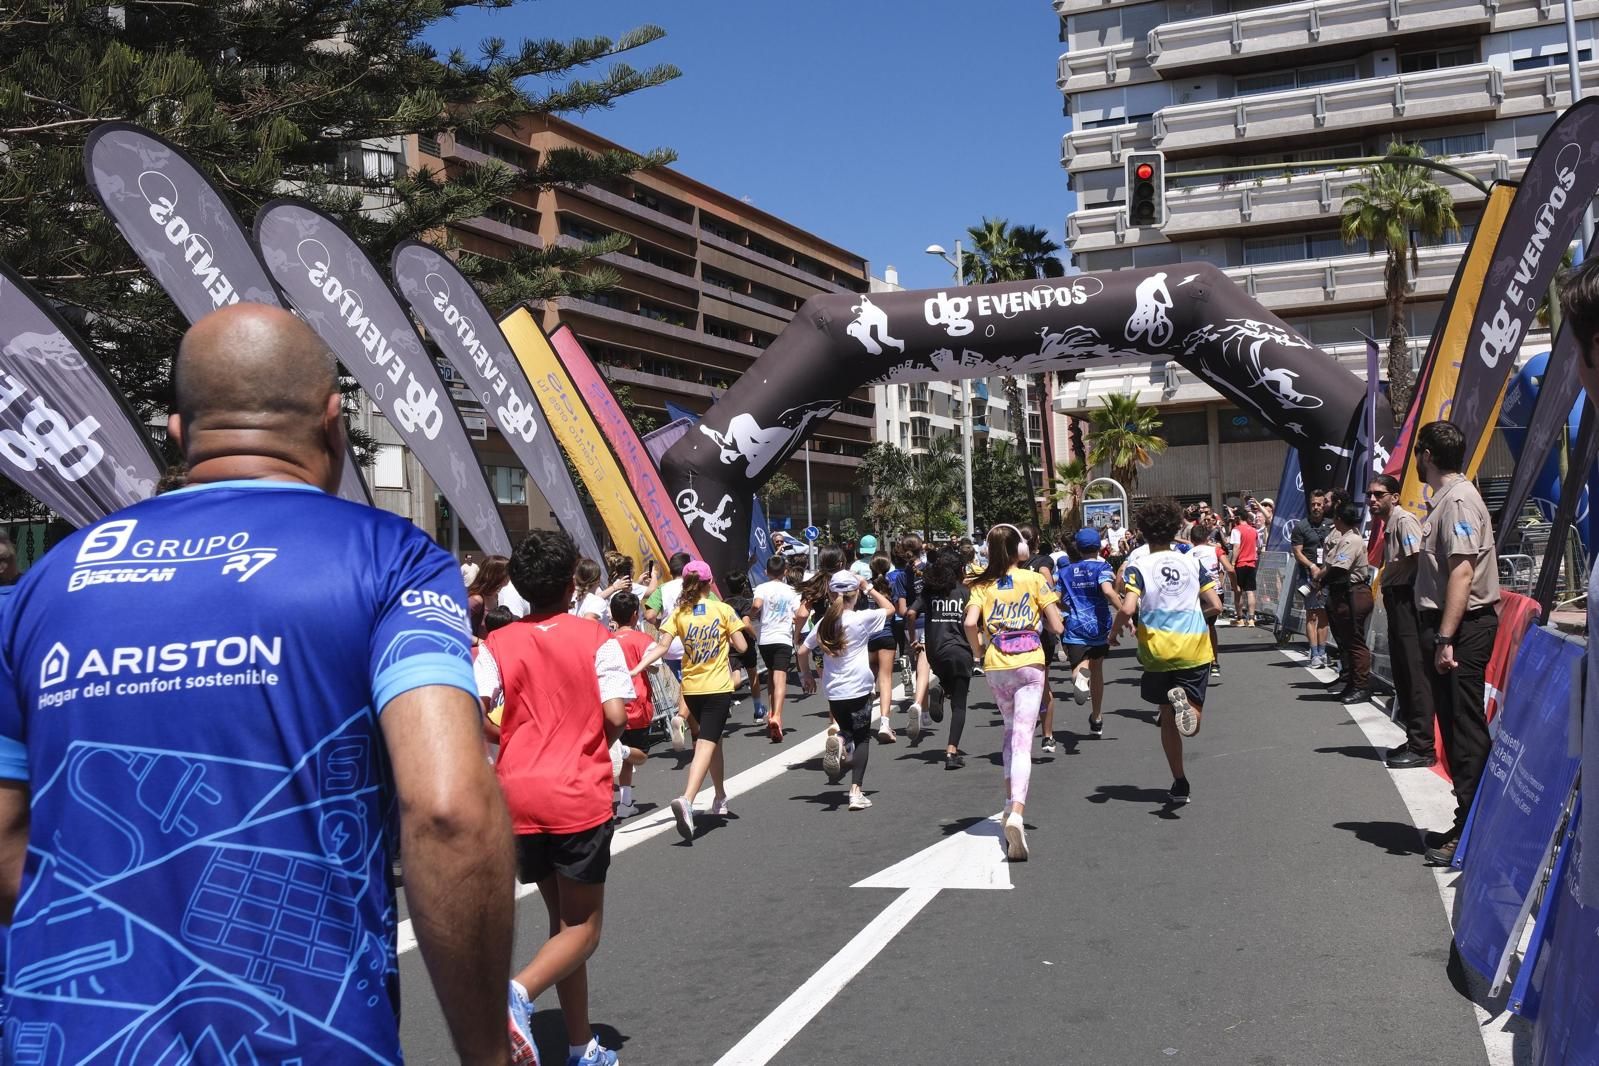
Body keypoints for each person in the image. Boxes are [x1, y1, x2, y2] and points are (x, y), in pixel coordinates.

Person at [0, 304, 514, 1062]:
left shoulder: (45, 584)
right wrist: (484, 1052)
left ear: (177, 434)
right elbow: (446, 812)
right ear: (335, 424)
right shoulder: (391, 560)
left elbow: (8, 842)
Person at [480, 530, 631, 1066]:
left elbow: (477, 710)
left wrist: (516, 737)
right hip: (576, 795)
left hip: (517, 795)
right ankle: (514, 995)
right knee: (585, 931)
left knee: (562, 928)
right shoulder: (596, 638)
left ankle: (578, 1047)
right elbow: (616, 715)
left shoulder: (496, 643)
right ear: (573, 584)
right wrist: (587, 743)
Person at [1413, 420, 1501, 866]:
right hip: (1452, 627)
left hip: (1462, 629)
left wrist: (1446, 637)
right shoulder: (1446, 500)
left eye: (1416, 451)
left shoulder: (1460, 502)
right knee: (1452, 724)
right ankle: (1467, 815)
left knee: (1465, 730)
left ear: (1426, 453)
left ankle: (1474, 829)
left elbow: (1463, 573)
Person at [1111, 499, 1222, 806]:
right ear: (1176, 530)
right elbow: (1216, 604)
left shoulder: (1138, 566)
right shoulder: (1191, 562)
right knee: (1191, 720)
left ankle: (1179, 780)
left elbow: (1129, 606)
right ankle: (1188, 706)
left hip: (1156, 650)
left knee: (1166, 716)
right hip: (1194, 647)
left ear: (1143, 532)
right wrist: (1193, 613)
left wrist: (1114, 631)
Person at [965, 524, 1065, 861]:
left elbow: (969, 624)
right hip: (1030, 662)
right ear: (1020, 550)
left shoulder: (981, 584)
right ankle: (1019, 812)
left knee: (1010, 732)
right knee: (1025, 737)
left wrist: (979, 651)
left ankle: (1008, 804)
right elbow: (1056, 624)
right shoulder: (1034, 579)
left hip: (996, 663)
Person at [633, 560, 750, 843]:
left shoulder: (678, 613)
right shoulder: (722, 610)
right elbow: (742, 646)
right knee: (705, 745)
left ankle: (720, 797)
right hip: (718, 688)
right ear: (709, 584)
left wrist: (637, 667)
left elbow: (661, 646)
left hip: (691, 690)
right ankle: (687, 798)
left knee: (713, 741)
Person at [802, 571, 899, 810]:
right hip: (859, 687)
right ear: (854, 594)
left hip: (834, 691)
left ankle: (839, 738)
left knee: (846, 730)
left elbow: (802, 650)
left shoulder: (824, 623)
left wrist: (807, 675)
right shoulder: (860, 618)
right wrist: (869, 587)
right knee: (863, 737)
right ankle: (856, 791)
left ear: (831, 594)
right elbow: (890, 609)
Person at [1366, 474, 1434, 768]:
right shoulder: (1390, 523)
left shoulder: (1404, 521)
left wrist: (1398, 578)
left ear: (1394, 497)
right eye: (1370, 494)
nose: (1372, 500)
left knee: (1413, 670)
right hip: (1398, 598)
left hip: (1407, 598)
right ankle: (1414, 738)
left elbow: (1418, 556)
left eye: (1378, 494)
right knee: (1404, 671)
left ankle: (1423, 746)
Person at [906, 548, 974, 769]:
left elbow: (910, 613)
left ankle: (942, 689)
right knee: (960, 705)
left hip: (934, 651)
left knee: (946, 678)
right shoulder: (965, 592)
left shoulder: (929, 592)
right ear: (959, 569)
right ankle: (951, 752)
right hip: (960, 650)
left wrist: (912, 639)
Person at [1058, 528, 1121, 737]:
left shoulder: (1066, 571)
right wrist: (1124, 613)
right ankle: (1097, 716)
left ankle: (1080, 678)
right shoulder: (1103, 567)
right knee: (1098, 670)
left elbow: (1056, 597)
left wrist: (1068, 607)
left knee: (1080, 666)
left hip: (1075, 626)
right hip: (1100, 626)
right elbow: (1108, 591)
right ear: (1099, 547)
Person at [608, 591, 657, 820]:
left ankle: (625, 803)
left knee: (626, 762)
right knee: (641, 755)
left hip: (610, 704)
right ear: (636, 615)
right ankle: (622, 750)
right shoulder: (642, 639)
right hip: (636, 703)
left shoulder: (606, 640)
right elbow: (655, 663)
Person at [1323, 501, 1374, 703]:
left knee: (1355, 642)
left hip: (1354, 592)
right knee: (1347, 641)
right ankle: (1353, 683)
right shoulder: (1345, 537)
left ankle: (1362, 686)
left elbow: (1340, 569)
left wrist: (1321, 580)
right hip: (1345, 593)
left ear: (1340, 519)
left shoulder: (1351, 539)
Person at [644, 552, 695, 748]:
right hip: (693, 641)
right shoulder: (695, 586)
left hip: (670, 645)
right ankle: (682, 718)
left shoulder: (662, 589)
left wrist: (660, 624)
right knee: (690, 687)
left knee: (686, 685)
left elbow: (649, 615)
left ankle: (694, 732)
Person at [752, 554, 800, 743]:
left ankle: (771, 711)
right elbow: (798, 614)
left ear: (766, 572)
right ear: (785, 572)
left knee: (771, 677)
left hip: (765, 639)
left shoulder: (761, 588)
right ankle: (777, 716)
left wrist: (751, 615)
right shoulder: (791, 591)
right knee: (780, 678)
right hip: (782, 637)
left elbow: (757, 605)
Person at [1291, 489, 1334, 668]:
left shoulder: (1331, 525)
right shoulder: (1301, 526)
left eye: (1319, 504)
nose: (1316, 507)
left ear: (1324, 505)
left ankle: (1323, 651)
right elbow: (1297, 552)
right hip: (1307, 575)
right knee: (1312, 614)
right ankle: (1314, 652)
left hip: (1326, 574)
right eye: (1313, 504)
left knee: (1324, 613)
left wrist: (1325, 568)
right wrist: (1312, 566)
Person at [866, 553, 904, 743]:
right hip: (887, 635)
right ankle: (884, 724)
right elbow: (897, 609)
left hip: (868, 637)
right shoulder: (891, 584)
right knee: (886, 679)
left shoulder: (865, 586)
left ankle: (864, 713)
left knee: (869, 675)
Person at [1189, 525, 1227, 678]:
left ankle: (1199, 660)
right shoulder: (1215, 550)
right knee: (1210, 626)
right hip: (1215, 592)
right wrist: (1233, 586)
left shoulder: (1187, 554)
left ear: (1192, 540)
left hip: (1198, 593)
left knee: (1198, 626)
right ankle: (1214, 662)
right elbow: (1229, 569)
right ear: (1207, 538)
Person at [468, 554, 511, 639]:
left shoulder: (496, 596)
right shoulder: (476, 600)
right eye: (507, 573)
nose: (509, 576)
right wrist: (477, 641)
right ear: (496, 575)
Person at [1229, 506, 1259, 625]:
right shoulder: (1253, 530)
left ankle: (1240, 618)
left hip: (1240, 563)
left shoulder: (1236, 530)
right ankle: (1251, 619)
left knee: (1238, 591)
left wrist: (1232, 562)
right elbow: (1258, 546)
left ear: (1238, 517)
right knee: (1250, 591)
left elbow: (1236, 546)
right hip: (1251, 563)